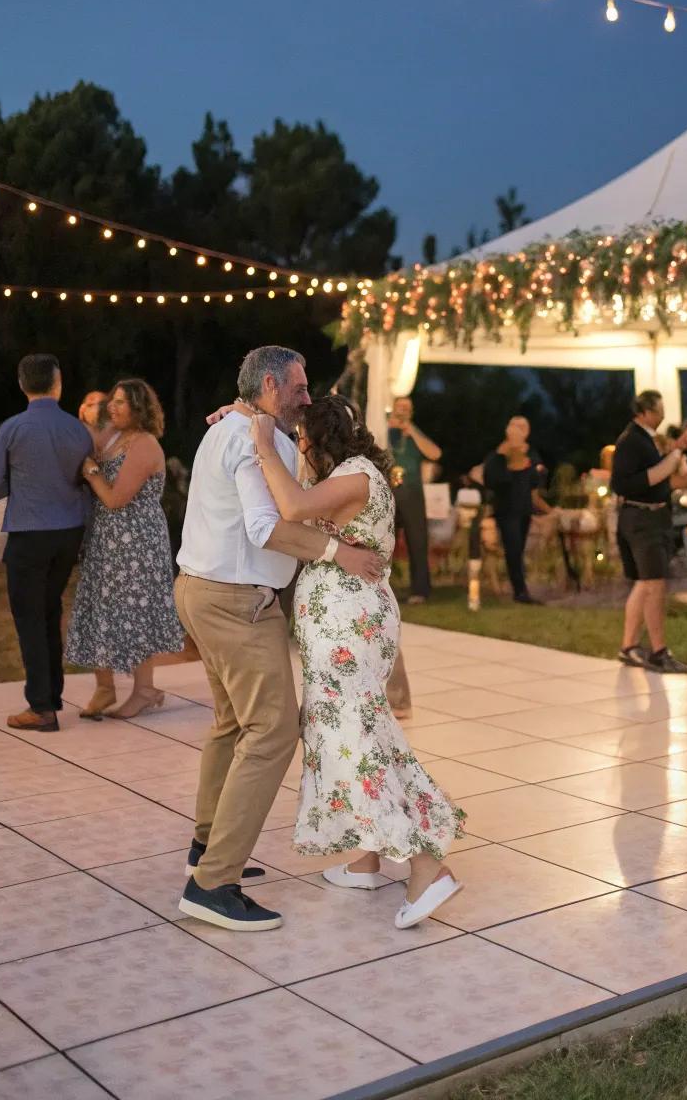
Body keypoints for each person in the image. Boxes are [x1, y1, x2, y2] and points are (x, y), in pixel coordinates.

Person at [174, 346, 384, 934]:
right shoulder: (249, 437)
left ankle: (206, 844)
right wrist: (339, 552)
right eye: (299, 386)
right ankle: (213, 883)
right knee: (273, 731)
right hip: (235, 603)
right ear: (269, 384)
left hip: (200, 590)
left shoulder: (235, 428)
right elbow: (266, 527)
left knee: (233, 725)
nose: (308, 397)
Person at [251, 393, 465, 928]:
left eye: (301, 440)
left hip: (349, 625)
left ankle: (425, 867)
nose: (298, 449)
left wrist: (261, 444)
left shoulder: (355, 475)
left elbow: (293, 508)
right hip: (345, 623)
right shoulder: (358, 470)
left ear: (316, 438)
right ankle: (365, 860)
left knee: (355, 739)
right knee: (353, 730)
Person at [0, 354, 92, 731]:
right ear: (57, 384)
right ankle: (52, 694)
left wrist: (24, 483)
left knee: (30, 618)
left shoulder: (13, 429)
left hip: (30, 534)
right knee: (48, 611)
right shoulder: (78, 431)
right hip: (68, 534)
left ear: (22, 384)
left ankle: (41, 707)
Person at [66, 380, 184, 719]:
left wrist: (90, 472)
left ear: (139, 408)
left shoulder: (145, 445)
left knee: (135, 611)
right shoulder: (115, 437)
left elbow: (116, 499)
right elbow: (85, 440)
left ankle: (145, 690)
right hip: (108, 539)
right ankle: (105, 688)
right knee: (101, 608)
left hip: (138, 543)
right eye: (111, 402)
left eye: (120, 403)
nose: (112, 408)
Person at [611, 390, 687, 673]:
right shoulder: (633, 440)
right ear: (644, 412)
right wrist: (675, 453)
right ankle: (658, 651)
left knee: (645, 583)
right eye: (659, 410)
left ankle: (629, 646)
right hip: (643, 520)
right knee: (654, 584)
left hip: (648, 518)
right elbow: (637, 480)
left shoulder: (643, 439)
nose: (662, 415)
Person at [481, 416, 554, 605]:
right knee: (513, 549)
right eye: (515, 426)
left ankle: (518, 586)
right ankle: (520, 591)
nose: (518, 430)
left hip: (524, 509)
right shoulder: (498, 455)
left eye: (522, 427)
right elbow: (492, 480)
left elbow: (537, 479)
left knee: (518, 549)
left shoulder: (531, 454)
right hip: (506, 510)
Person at [388, 395, 441, 604]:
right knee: (383, 539)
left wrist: (412, 431)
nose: (402, 411)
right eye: (399, 407)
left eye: (406, 408)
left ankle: (420, 590)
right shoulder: (382, 428)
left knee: (417, 539)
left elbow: (436, 454)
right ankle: (381, 588)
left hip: (412, 490)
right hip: (387, 490)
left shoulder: (414, 433)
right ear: (392, 408)